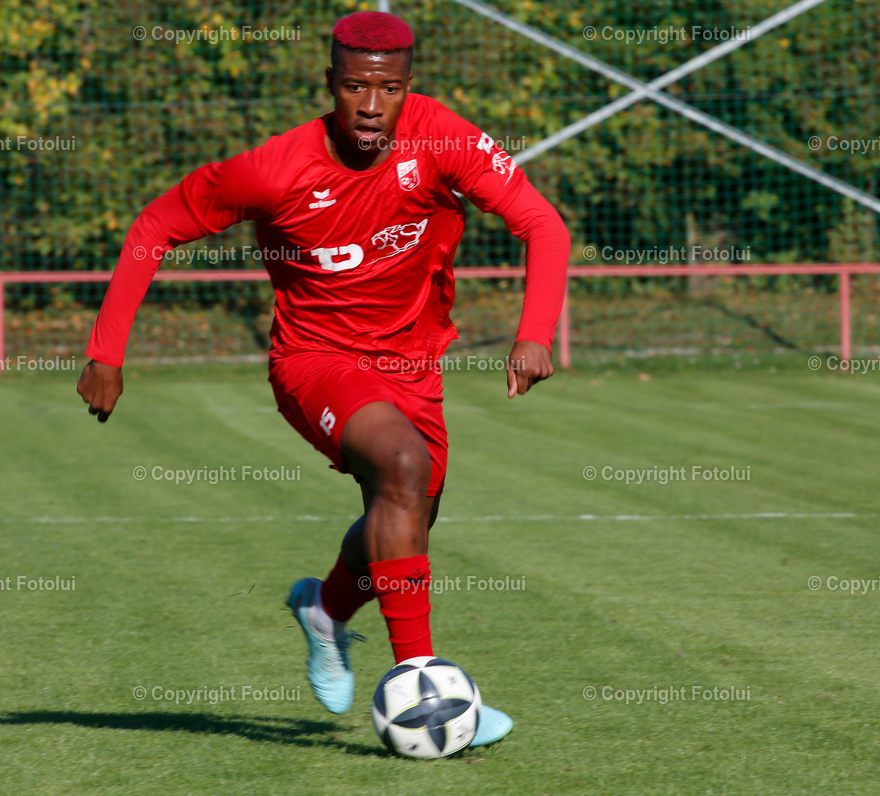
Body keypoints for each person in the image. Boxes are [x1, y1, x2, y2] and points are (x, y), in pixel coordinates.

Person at [78, 10, 569, 749]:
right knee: (402, 466)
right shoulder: (273, 169)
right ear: (330, 84)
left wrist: (534, 334)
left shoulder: (444, 140)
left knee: (407, 520)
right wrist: (106, 352)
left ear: (409, 87)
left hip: (413, 364)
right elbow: (155, 226)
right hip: (316, 362)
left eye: (389, 89)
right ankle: (427, 691)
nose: (371, 106)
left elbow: (543, 224)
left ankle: (325, 613)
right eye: (354, 88)